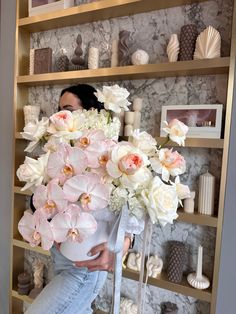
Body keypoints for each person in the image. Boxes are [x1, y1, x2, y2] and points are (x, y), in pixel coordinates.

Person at [25, 84, 133, 314]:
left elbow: (132, 206)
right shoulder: (58, 155)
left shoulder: (110, 160)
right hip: (60, 259)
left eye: (67, 110)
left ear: (91, 113)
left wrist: (126, 242)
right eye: (58, 110)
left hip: (85, 268)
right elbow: (36, 201)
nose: (59, 117)